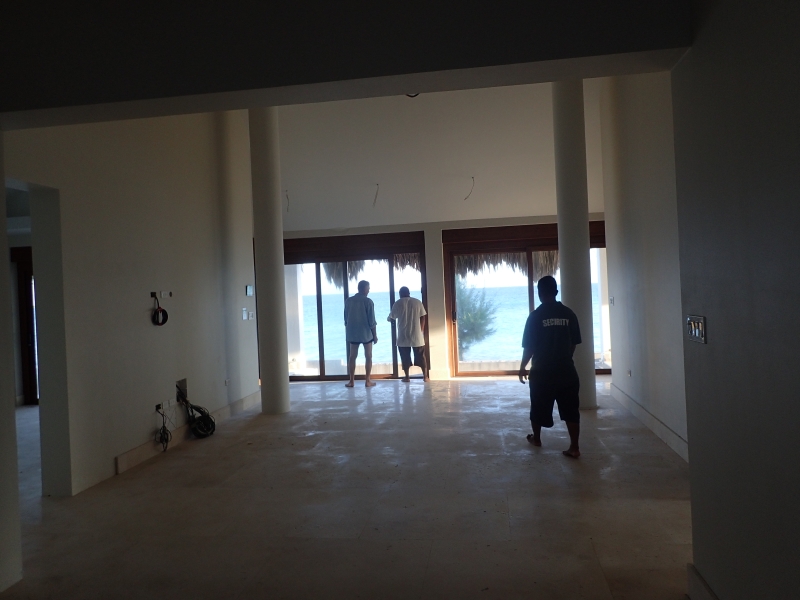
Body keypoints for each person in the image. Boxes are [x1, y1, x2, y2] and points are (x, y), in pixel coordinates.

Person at [518, 276, 582, 458]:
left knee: (538, 407)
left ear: (539, 293)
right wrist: (565, 357)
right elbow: (574, 343)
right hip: (567, 371)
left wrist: (522, 367)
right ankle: (574, 447)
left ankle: (537, 438)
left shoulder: (535, 316)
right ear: (556, 292)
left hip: (541, 372)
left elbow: (529, 347)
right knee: (571, 410)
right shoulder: (569, 314)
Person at [387, 286, 429, 382]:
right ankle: (425, 377)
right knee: (421, 356)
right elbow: (423, 317)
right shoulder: (417, 302)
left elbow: (391, 318)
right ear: (409, 293)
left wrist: (389, 318)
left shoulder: (397, 303)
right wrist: (421, 330)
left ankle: (407, 377)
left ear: (400, 294)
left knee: (405, 357)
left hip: (403, 335)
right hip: (416, 335)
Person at [344, 280, 378, 388]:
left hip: (353, 333)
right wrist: (375, 335)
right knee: (368, 356)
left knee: (352, 357)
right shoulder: (368, 302)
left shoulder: (348, 301)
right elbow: (372, 321)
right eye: (368, 288)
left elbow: (346, 318)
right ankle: (367, 381)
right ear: (364, 289)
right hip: (366, 333)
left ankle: (351, 381)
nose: (369, 290)